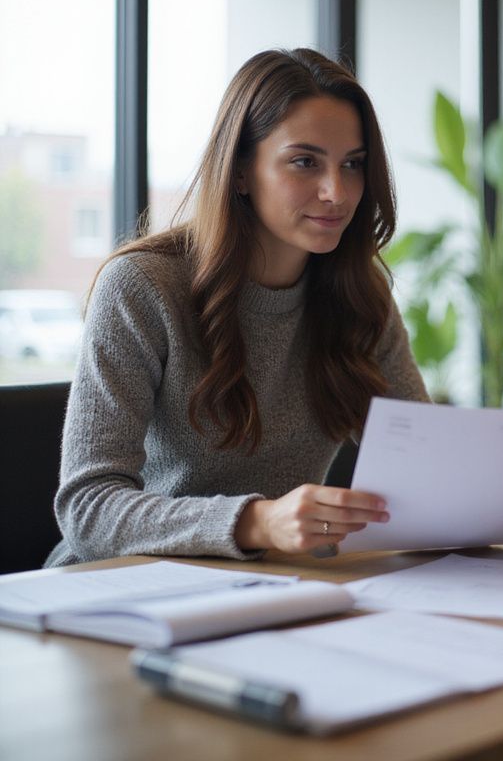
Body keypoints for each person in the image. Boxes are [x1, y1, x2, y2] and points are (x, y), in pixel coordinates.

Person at [48, 48, 428, 566]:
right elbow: (87, 511)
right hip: (121, 590)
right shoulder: (143, 286)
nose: (336, 192)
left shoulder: (360, 297)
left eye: (353, 165)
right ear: (242, 171)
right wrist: (259, 521)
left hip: (277, 589)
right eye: (304, 162)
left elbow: (426, 467)